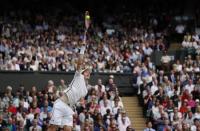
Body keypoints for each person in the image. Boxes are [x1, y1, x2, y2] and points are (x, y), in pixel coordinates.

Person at [48, 33, 91, 131]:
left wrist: (80, 104)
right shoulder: (78, 75)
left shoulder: (85, 91)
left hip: (69, 109)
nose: (88, 72)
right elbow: (80, 62)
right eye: (86, 71)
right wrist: (83, 48)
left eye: (89, 71)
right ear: (83, 72)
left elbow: (79, 100)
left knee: (68, 129)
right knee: (53, 128)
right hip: (61, 104)